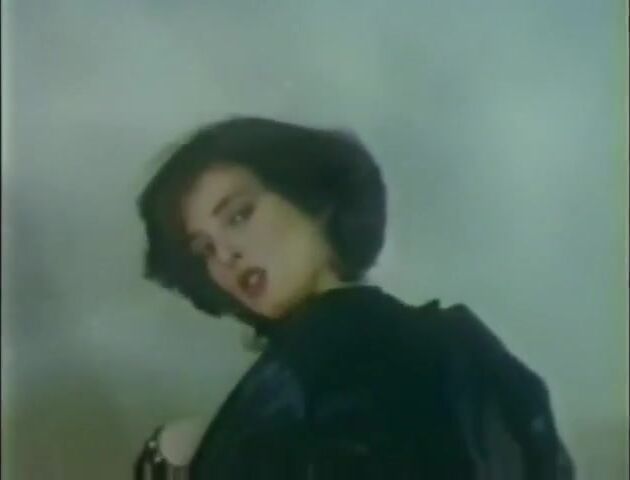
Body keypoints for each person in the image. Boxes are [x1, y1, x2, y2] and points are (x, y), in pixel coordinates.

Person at [134, 117, 574, 479]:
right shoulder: (462, 345)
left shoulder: (318, 368)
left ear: (313, 200)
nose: (225, 255)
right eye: (204, 249)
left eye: (238, 215)